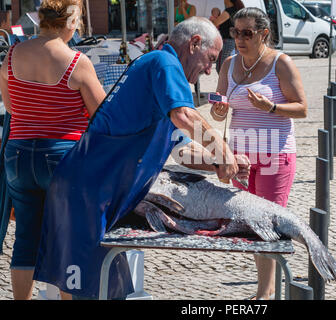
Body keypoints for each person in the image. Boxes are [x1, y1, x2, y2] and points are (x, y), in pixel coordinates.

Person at [32, 17, 245, 300]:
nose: (209, 69)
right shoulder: (164, 63)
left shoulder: (161, 72)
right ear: (194, 43)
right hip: (84, 194)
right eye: (210, 58)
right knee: (86, 290)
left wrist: (218, 162)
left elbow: (182, 150)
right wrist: (222, 148)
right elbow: (184, 116)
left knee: (111, 289)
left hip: (96, 195)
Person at [0, 0, 105, 300]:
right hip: (61, 155)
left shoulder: (12, 55)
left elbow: (10, 106)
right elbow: (100, 113)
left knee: (26, 238)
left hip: (18, 154)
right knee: (65, 237)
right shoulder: (76, 61)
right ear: (70, 22)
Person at [209, 7, 308, 300]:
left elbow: (302, 108)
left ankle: (266, 294)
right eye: (235, 32)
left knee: (267, 224)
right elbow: (219, 107)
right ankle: (264, 290)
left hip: (274, 155)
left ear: (264, 34)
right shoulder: (228, 64)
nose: (239, 38)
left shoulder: (281, 63)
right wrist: (218, 109)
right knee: (252, 223)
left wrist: (272, 107)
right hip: (240, 157)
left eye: (247, 33)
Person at [213, 0, 245, 74]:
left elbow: (215, 23)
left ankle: (226, 84)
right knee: (229, 65)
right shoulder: (236, 9)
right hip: (233, 41)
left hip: (226, 41)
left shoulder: (228, 11)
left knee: (221, 66)